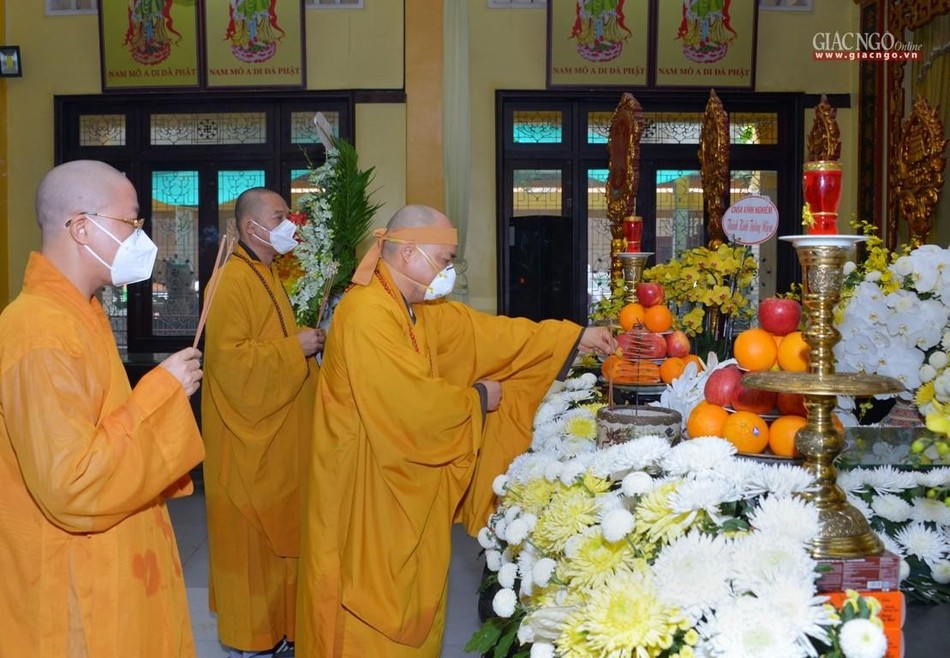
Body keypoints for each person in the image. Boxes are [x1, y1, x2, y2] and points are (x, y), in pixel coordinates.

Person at [296, 205, 615, 657]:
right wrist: (478, 398)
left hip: (398, 489)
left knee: (411, 600)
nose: (448, 271)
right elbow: (409, 407)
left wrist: (574, 337)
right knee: (365, 616)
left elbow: (485, 335)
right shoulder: (367, 313)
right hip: (363, 492)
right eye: (445, 259)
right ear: (409, 252)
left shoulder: (412, 308)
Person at [0, 160, 205, 656]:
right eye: (131, 223)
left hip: (115, 557)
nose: (141, 238)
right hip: (75, 585)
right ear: (81, 228)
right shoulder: (38, 333)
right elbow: (72, 484)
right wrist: (160, 393)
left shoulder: (80, 313)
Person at [201, 187, 323, 658]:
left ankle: (282, 633)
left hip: (279, 440)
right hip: (247, 445)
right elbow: (231, 364)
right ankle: (252, 643)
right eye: (279, 216)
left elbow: (265, 341)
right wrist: (295, 349)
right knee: (251, 551)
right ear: (251, 226)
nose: (290, 224)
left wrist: (300, 342)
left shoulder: (265, 272)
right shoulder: (231, 280)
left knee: (283, 548)